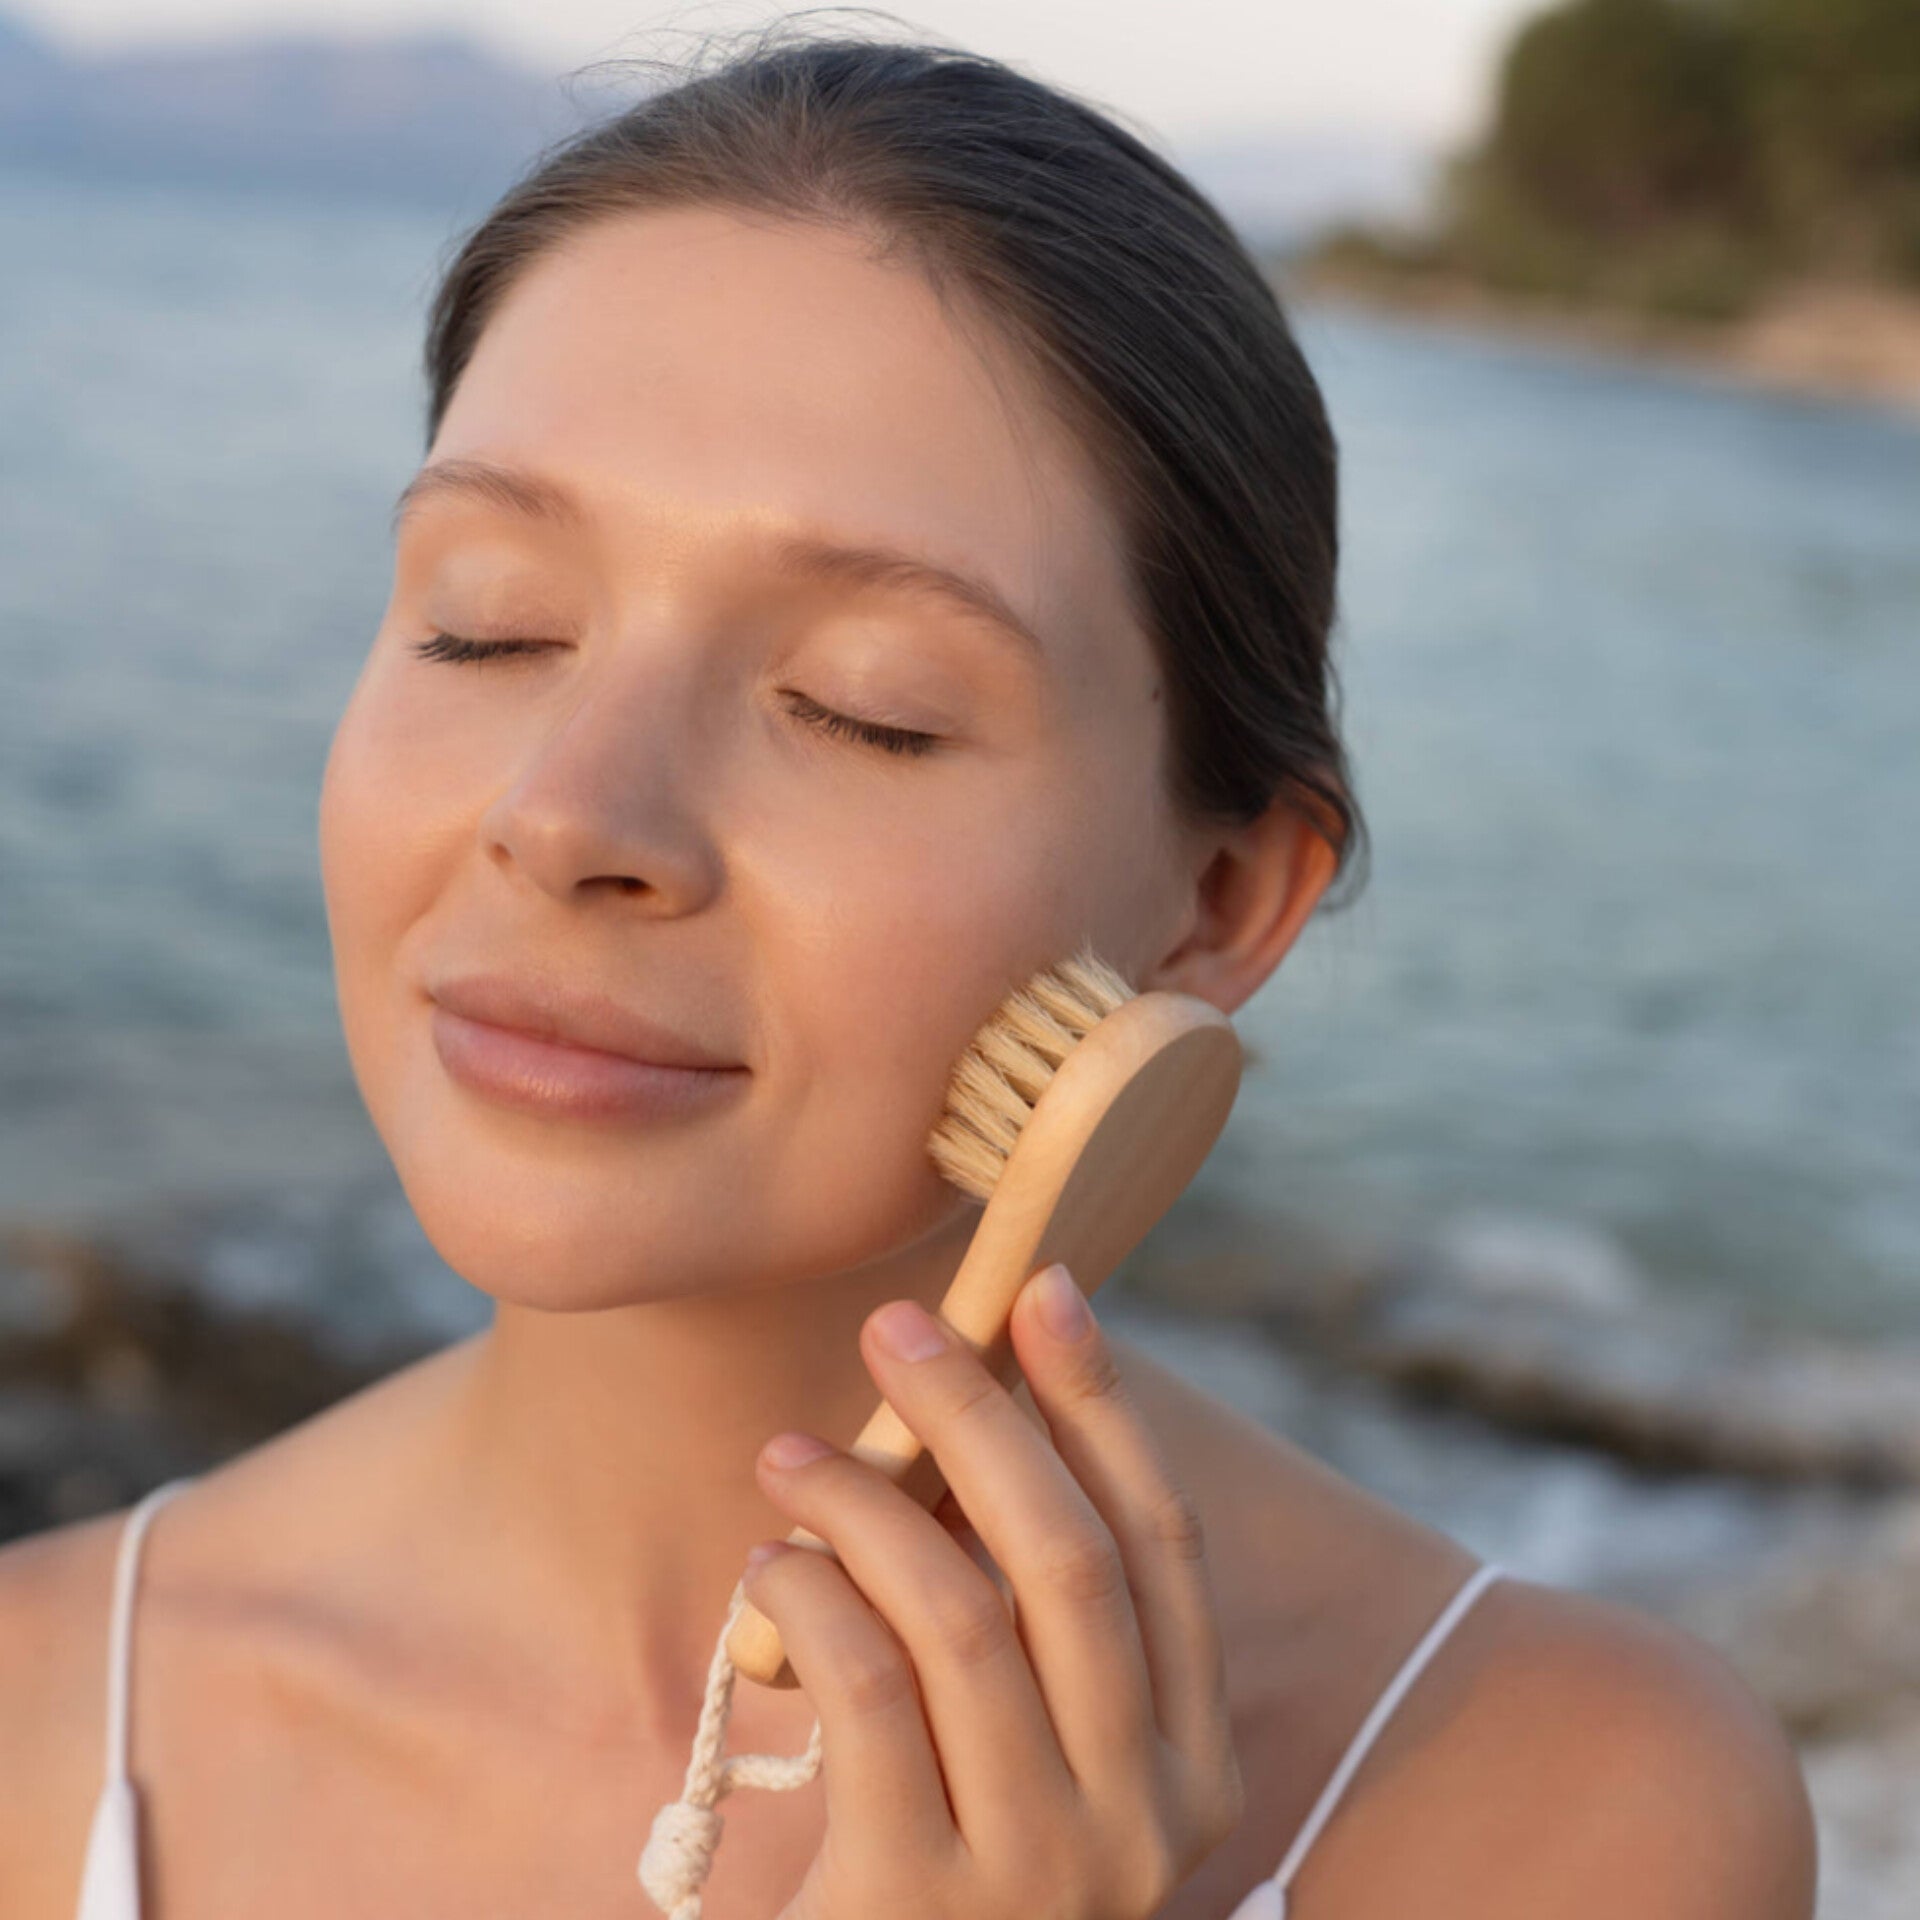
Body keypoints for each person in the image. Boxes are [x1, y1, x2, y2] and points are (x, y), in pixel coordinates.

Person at [0, 21, 1815, 1919]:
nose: (570, 814)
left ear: (1220, 900)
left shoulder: (1561, 1811)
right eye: (487, 625)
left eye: (861, 711)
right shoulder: (44, 1715)